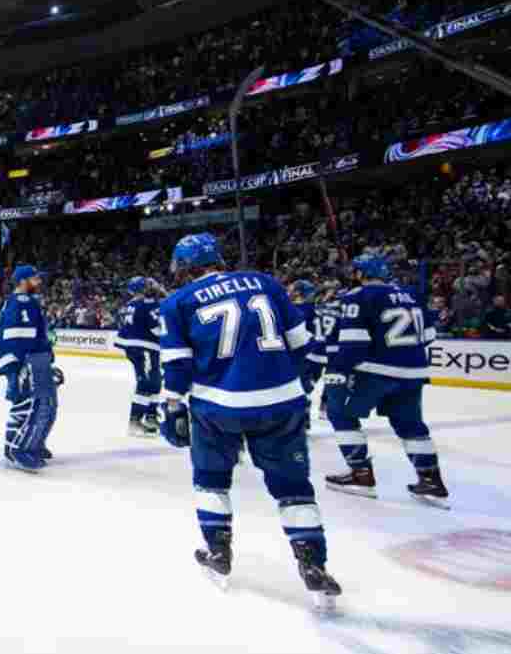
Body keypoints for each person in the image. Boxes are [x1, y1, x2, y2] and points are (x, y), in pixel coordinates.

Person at [156, 233, 341, 609]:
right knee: (293, 487)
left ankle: (218, 551)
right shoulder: (266, 283)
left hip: (217, 406)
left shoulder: (178, 302)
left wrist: (172, 404)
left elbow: (177, 366)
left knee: (211, 480)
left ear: (183, 267)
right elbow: (304, 345)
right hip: (281, 402)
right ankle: (312, 562)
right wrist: (299, 384)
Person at [322, 254, 450, 506]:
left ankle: (360, 474)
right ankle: (431, 480)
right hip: (414, 372)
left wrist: (338, 370)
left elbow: (353, 341)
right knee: (411, 425)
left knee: (340, 413)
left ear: (360, 273)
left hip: (375, 372)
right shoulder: (411, 295)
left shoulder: (357, 297)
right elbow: (429, 335)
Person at [0, 265, 60, 472]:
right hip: (29, 360)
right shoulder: (20, 303)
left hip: (36, 359)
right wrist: (17, 368)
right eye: (35, 278)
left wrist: (46, 359)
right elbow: (17, 338)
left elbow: (35, 334)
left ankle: (30, 444)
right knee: (32, 405)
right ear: (23, 281)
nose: (39, 282)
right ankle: (18, 449)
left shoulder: (27, 302)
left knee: (42, 404)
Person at [114, 276, 164, 437]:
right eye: (148, 285)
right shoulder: (147, 304)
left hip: (137, 347)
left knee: (155, 380)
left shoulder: (130, 305)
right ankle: (135, 421)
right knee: (147, 382)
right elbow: (156, 329)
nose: (152, 287)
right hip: (145, 347)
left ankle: (151, 416)